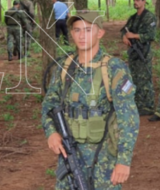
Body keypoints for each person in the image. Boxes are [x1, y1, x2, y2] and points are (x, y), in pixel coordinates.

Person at [42, 11, 139, 189]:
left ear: (99, 33)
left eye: (88, 30)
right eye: (77, 30)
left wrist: (124, 160)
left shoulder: (113, 68)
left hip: (104, 158)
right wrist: (51, 132)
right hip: (69, 155)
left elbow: (129, 117)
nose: (81, 35)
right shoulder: (65, 67)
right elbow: (49, 104)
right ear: (71, 33)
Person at [121, 0, 156, 116]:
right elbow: (124, 29)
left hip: (143, 52)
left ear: (143, 1)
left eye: (138, 0)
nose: (135, 2)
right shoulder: (133, 18)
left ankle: (148, 106)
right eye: (134, 0)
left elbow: (151, 35)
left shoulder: (149, 17)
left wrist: (134, 36)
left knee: (145, 78)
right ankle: (137, 104)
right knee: (134, 78)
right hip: (133, 53)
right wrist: (125, 37)